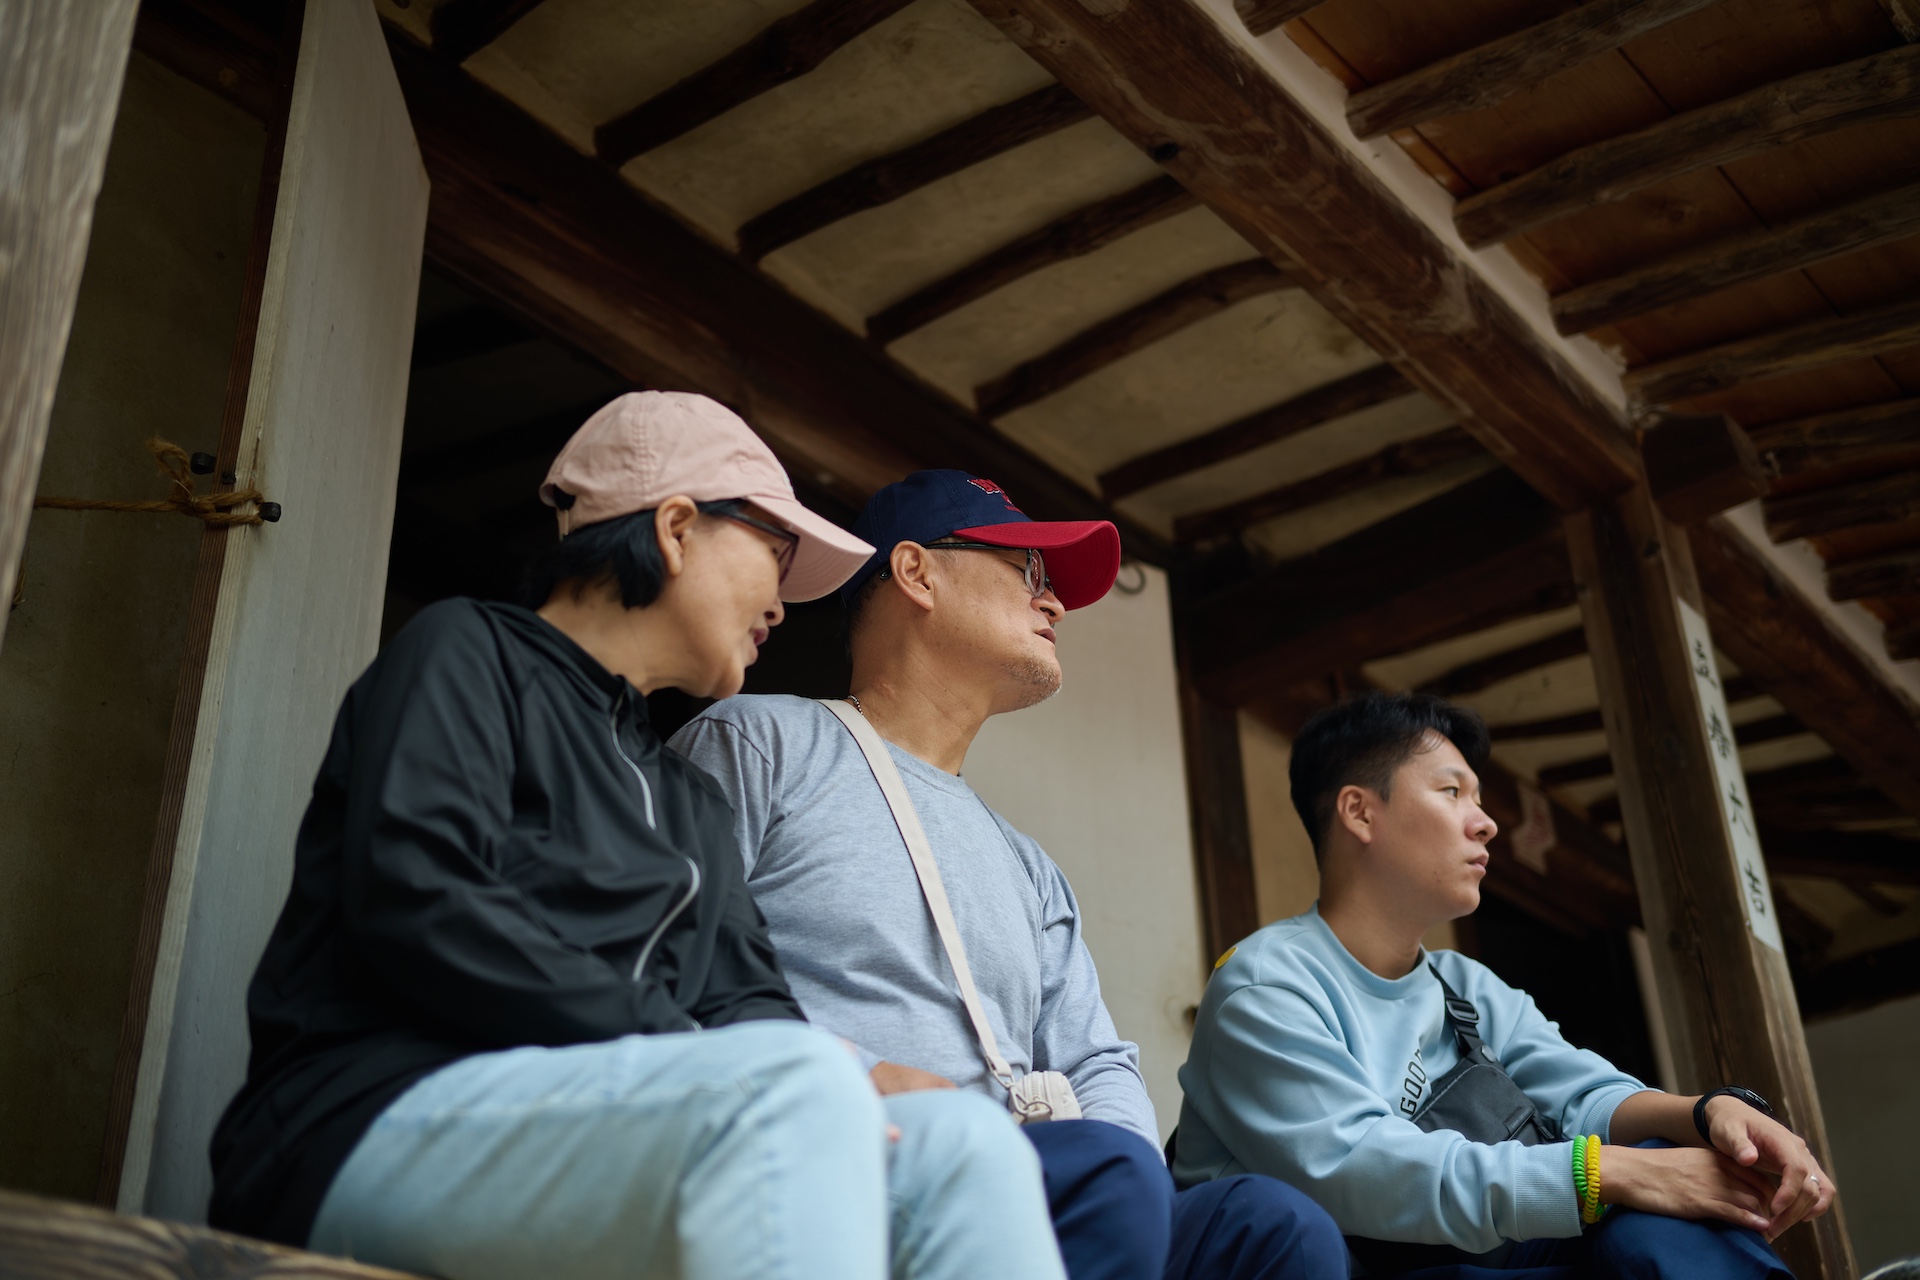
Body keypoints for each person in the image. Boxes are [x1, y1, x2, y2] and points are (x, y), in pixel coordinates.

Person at [208, 395, 1069, 1280]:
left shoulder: (686, 794)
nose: (781, 604)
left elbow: (747, 1002)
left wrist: (865, 1077)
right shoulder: (468, 651)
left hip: (596, 1132)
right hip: (366, 1118)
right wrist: (714, 1052)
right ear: (676, 529)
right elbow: (422, 902)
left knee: (966, 1144)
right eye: (775, 556)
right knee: (789, 1085)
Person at [670, 469, 1346, 1280]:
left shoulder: (1029, 864)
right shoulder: (762, 742)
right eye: (1028, 570)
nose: (1053, 602)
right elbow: (668, 960)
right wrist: (851, 1075)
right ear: (916, 573)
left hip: (1047, 1180)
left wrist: (1131, 1182)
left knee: (1274, 1224)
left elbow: (1097, 1062)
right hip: (849, 1152)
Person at [1171, 691, 1837, 1278]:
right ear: (1360, 812)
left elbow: (1583, 1095)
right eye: (1452, 792)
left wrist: (1708, 1114)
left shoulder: (1461, 984)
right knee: (1638, 1175)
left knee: (1663, 1160)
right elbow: (1365, 1169)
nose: (1485, 822)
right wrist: (1613, 1172)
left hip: (1470, 1258)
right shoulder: (1268, 984)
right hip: (1356, 1263)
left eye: (1480, 799)